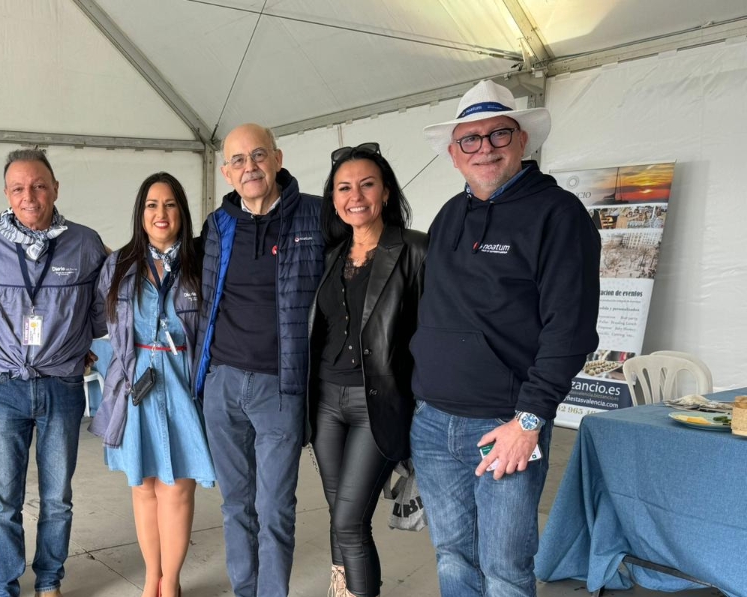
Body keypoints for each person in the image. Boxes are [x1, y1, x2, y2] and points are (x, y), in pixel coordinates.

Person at [411, 79, 600, 597]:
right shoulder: (450, 215)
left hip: (506, 425)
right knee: (452, 558)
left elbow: (572, 330)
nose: (485, 148)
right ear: (453, 154)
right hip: (432, 424)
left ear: (522, 141)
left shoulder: (558, 215)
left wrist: (530, 420)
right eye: (470, 139)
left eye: (499, 134)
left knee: (506, 571)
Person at [193, 123, 324, 597]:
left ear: (278, 158)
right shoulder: (217, 225)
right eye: (239, 161)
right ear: (226, 172)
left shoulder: (315, 216)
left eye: (258, 156)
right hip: (223, 382)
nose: (250, 167)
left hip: (280, 386)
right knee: (235, 505)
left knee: (275, 509)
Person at [0, 148, 107, 597]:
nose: (29, 196)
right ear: (7, 193)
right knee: (4, 499)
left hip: (62, 386)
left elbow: (100, 311)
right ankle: (5, 584)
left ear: (55, 188)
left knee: (57, 498)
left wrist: (76, 346)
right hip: (3, 387)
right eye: (18, 188)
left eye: (38, 185)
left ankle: (49, 581)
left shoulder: (86, 243)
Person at [307, 143, 426, 597]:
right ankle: (344, 591)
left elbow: (432, 332)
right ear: (333, 198)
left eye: (367, 184)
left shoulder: (415, 250)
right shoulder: (330, 255)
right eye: (343, 187)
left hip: (377, 402)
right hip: (325, 403)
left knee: (348, 521)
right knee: (340, 513)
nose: (355, 195)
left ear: (387, 192)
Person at [90, 173, 216, 597]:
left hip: (182, 379)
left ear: (182, 211)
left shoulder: (202, 262)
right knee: (143, 487)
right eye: (151, 205)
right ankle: (151, 579)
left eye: (169, 205)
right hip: (135, 382)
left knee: (177, 488)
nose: (160, 214)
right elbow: (100, 322)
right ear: (140, 214)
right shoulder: (119, 263)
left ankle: (172, 581)